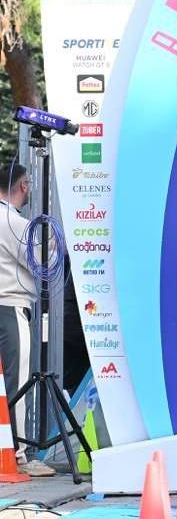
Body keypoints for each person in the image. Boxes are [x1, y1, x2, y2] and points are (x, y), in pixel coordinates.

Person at [0, 164, 54, 477]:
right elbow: (40, 262)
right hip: (9, 308)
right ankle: (18, 455)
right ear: (23, 186)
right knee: (15, 385)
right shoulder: (13, 221)